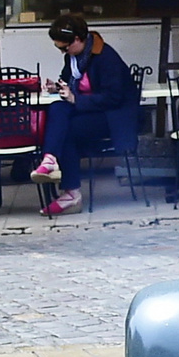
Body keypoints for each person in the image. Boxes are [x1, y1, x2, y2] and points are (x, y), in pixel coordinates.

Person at [28, 15, 140, 216]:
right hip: (88, 111)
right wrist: (57, 87)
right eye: (59, 48)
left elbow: (114, 98)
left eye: (65, 47)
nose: (63, 52)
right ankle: (50, 159)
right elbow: (67, 81)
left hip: (112, 117)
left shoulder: (106, 58)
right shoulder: (72, 58)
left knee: (67, 130)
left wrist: (76, 99)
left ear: (79, 39)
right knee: (57, 108)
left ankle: (70, 192)